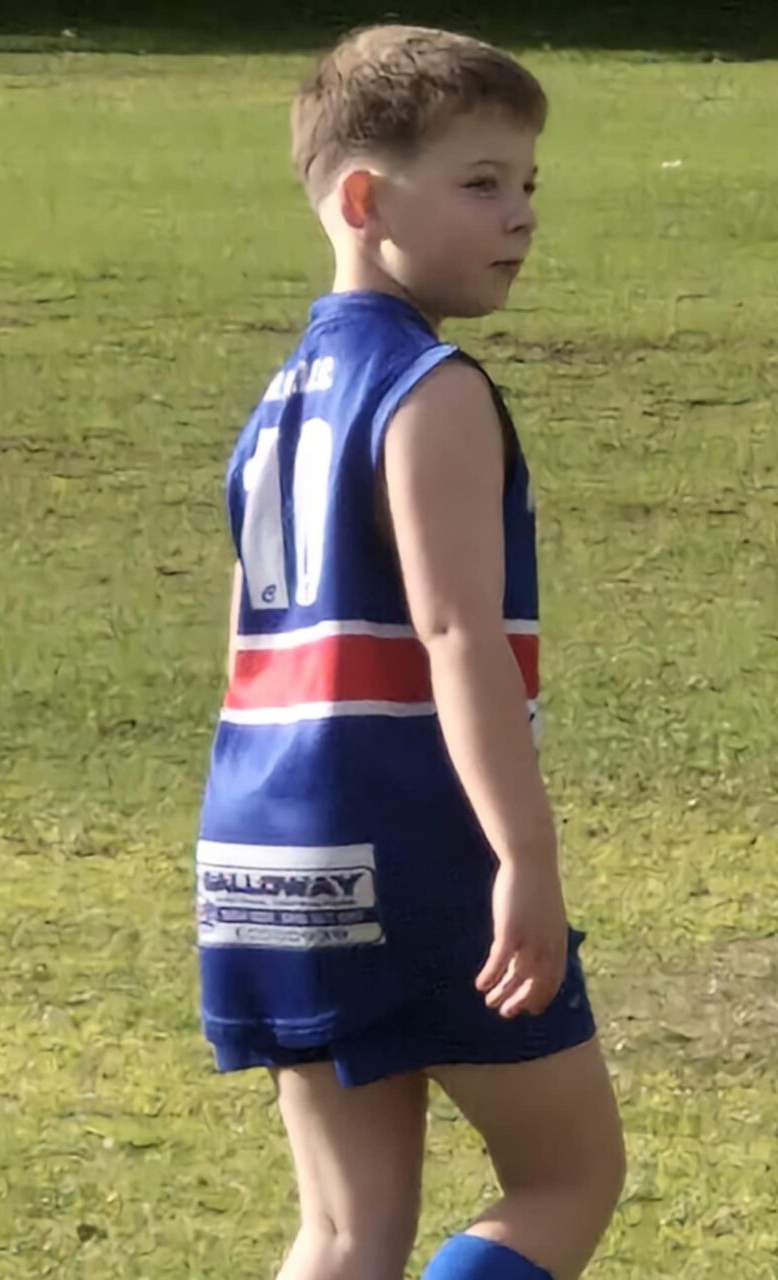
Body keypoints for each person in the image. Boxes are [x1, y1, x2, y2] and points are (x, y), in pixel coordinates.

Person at [195, 25, 625, 1280]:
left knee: (345, 1228)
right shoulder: (430, 388)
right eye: (480, 182)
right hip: (408, 839)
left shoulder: (278, 401)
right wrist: (523, 857)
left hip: (263, 851)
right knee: (566, 1173)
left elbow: (244, 649)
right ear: (363, 201)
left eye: (527, 182)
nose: (520, 213)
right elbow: (456, 636)